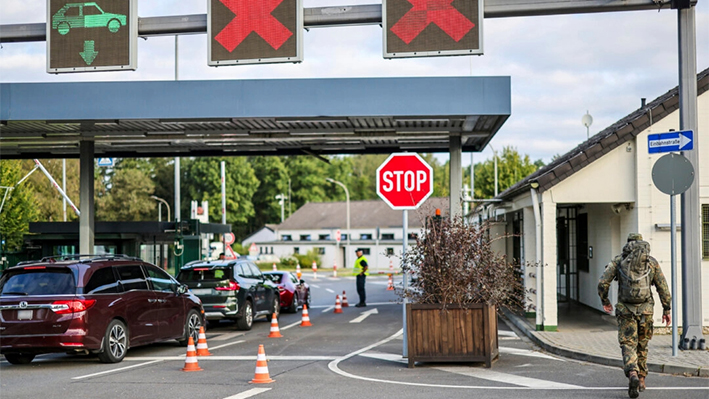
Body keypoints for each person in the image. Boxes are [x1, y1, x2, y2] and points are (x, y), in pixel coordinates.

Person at [598, 233, 671, 398]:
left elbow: (603, 282)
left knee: (628, 343)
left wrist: (605, 300)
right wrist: (667, 309)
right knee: (642, 344)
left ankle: (632, 373)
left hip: (625, 310)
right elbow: (663, 287)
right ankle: (642, 378)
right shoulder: (651, 262)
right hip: (646, 310)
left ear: (628, 245)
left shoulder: (618, 261)